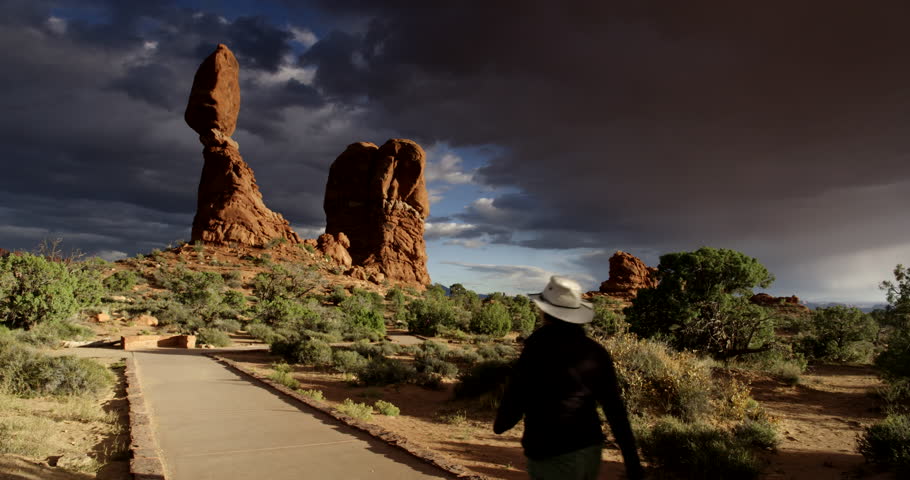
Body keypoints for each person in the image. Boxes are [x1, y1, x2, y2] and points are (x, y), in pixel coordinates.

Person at [493, 275, 644, 480]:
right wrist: (632, 460)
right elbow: (614, 407)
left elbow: (518, 392)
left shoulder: (537, 348)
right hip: (589, 447)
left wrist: (502, 423)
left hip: (550, 450)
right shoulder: (595, 351)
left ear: (545, 310)